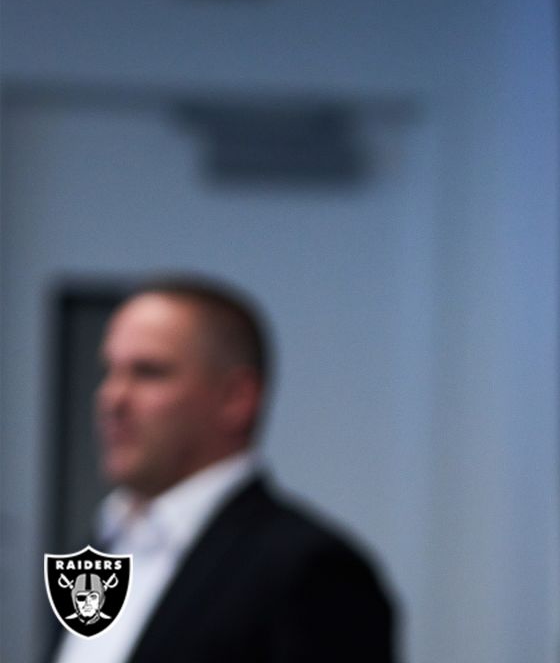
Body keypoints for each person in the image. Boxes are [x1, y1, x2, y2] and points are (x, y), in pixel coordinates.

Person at [50, 278, 394, 663]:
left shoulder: (309, 572)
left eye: (148, 372)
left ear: (236, 398)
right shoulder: (105, 543)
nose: (111, 397)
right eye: (109, 371)